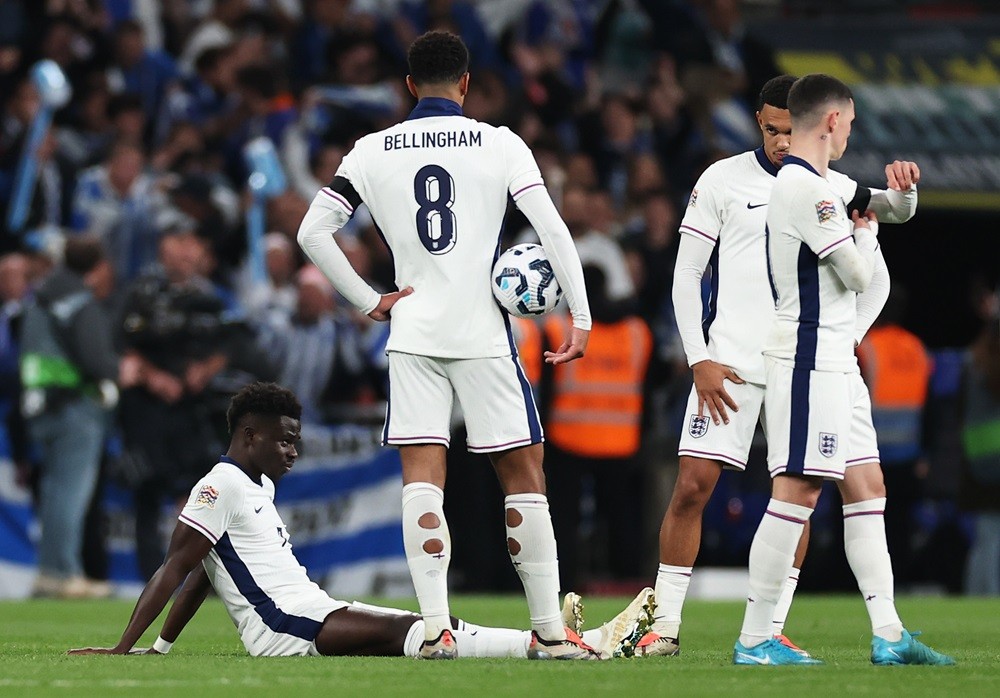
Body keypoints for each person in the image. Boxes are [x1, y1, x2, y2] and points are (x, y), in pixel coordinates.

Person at [297, 31, 595, 660]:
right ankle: (547, 632)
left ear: (409, 86)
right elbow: (552, 229)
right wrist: (583, 315)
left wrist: (367, 298)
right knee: (523, 475)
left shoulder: (372, 150)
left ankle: (435, 632)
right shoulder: (501, 142)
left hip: (412, 332)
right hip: (484, 334)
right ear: (465, 84)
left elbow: (312, 231)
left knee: (422, 482)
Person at [635, 75, 919, 657]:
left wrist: (905, 194)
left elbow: (888, 226)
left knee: (796, 490)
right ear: (759, 122)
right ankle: (663, 626)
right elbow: (687, 274)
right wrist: (699, 358)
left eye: (791, 130)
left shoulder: (832, 184)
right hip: (734, 363)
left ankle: (771, 626)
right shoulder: (722, 179)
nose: (782, 141)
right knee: (693, 484)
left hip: (804, 360)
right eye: (771, 129)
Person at [66, 382, 653, 659]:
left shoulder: (255, 483)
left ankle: (560, 642)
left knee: (427, 629)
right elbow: (174, 569)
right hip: (288, 628)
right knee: (424, 635)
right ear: (249, 436)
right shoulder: (218, 485)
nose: (294, 452)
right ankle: (573, 646)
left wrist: (163, 650)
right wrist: (123, 651)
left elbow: (204, 574)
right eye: (286, 441)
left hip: (309, 610)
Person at [733, 73, 952, 665]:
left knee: (868, 487)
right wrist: (869, 235)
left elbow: (886, 210)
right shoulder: (803, 188)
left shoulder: (829, 184)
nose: (852, 131)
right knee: (798, 490)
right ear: (831, 121)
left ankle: (888, 634)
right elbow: (857, 273)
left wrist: (899, 197)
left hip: (836, 358)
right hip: (807, 356)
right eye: (851, 122)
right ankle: (754, 639)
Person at [18, 236, 137, 598]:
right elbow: (96, 360)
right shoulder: (80, 303)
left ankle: (49, 573)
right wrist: (121, 371)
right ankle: (64, 573)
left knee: (55, 492)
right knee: (71, 494)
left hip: (41, 405)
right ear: (98, 267)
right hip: (74, 407)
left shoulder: (40, 296)